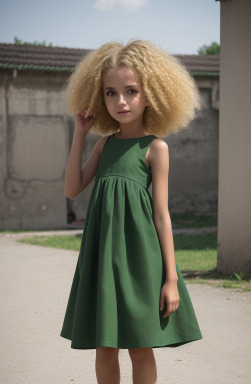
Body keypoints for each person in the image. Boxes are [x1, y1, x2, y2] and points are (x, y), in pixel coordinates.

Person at [60, 40, 203, 384]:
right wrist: (80, 133)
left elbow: (162, 216)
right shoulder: (104, 144)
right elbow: (71, 188)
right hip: (103, 257)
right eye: (110, 92)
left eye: (131, 91)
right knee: (104, 347)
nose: (120, 101)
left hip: (141, 260)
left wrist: (170, 278)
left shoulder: (155, 148)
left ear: (151, 93)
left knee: (141, 346)